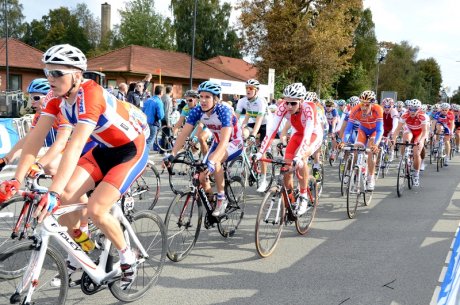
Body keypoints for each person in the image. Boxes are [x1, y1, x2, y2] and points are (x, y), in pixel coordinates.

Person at [0, 44, 149, 290]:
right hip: (103, 149)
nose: (51, 79)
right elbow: (35, 139)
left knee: (97, 209)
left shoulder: (91, 95)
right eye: (48, 72)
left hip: (131, 150)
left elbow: (75, 145)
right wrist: (16, 179)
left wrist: (53, 192)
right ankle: (83, 247)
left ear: (77, 75)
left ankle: (127, 256)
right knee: (67, 198)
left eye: (57, 73)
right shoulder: (55, 98)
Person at [164, 81, 243, 217]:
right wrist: (172, 153)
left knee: (215, 161)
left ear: (215, 98)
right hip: (217, 143)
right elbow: (184, 133)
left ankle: (221, 199)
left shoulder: (223, 111)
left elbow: (225, 141)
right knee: (201, 176)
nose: (203, 100)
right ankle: (211, 201)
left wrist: (212, 162)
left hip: (233, 142)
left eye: (207, 97)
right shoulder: (198, 110)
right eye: (201, 96)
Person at [256, 83, 322, 215]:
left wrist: (299, 156)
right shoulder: (282, 107)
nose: (289, 106)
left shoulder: (310, 108)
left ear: (301, 101)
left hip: (313, 134)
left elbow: (308, 134)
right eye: (287, 103)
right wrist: (260, 153)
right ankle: (290, 197)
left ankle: (303, 196)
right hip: (297, 134)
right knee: (286, 166)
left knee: (301, 159)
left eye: (293, 103)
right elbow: (272, 131)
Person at [0, 78, 73, 175]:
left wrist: (39, 165)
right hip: (66, 148)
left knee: (50, 166)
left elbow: (61, 143)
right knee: (25, 158)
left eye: (36, 98)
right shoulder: (40, 115)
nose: (32, 102)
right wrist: (5, 159)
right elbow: (28, 139)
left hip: (82, 149)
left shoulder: (63, 110)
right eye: (31, 98)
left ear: (49, 97)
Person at [339, 90, 383, 191]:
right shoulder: (355, 109)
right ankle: (355, 174)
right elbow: (348, 129)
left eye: (367, 105)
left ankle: (370, 177)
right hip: (362, 130)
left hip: (374, 131)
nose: (363, 107)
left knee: (371, 151)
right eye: (362, 104)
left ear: (372, 104)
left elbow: (380, 129)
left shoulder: (378, 109)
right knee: (355, 150)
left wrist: (376, 144)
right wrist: (343, 141)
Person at [235, 79, 270, 192]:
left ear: (256, 90)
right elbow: (235, 119)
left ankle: (263, 179)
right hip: (254, 122)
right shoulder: (242, 101)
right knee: (243, 133)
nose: (248, 90)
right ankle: (247, 154)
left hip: (266, 124)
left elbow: (259, 120)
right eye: (247, 88)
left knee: (261, 152)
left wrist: (253, 135)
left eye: (251, 88)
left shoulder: (261, 101)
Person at [391, 99, 427, 186]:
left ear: (419, 109)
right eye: (411, 109)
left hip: (419, 133)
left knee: (416, 153)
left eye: (415, 109)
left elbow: (424, 131)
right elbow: (397, 129)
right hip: (410, 130)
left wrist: (421, 141)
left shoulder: (422, 116)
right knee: (405, 139)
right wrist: (393, 140)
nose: (412, 111)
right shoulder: (405, 115)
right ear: (408, 108)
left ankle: (416, 175)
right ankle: (403, 158)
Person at [143, 85, 165, 150]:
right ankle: (145, 157)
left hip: (145, 122)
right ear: (161, 92)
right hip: (153, 123)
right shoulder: (159, 101)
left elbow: (143, 110)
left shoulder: (148, 99)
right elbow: (161, 115)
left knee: (145, 139)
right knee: (150, 141)